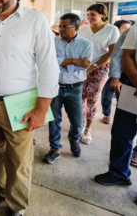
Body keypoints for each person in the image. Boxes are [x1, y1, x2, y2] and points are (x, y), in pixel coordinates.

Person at [0, 0, 59, 216]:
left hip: (20, 104)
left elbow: (48, 65)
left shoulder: (35, 20)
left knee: (19, 160)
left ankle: (17, 206)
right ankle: (1, 189)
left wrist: (42, 108)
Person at [94, 1, 137, 196]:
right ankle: (118, 172)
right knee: (122, 132)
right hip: (132, 87)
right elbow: (121, 55)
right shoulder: (135, 29)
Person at [43, 13, 93, 164]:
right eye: (60, 26)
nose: (61, 29)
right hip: (54, 86)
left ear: (76, 27)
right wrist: (73, 60)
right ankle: (55, 148)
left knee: (78, 122)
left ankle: (74, 140)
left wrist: (62, 62)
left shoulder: (86, 44)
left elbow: (83, 66)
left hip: (75, 87)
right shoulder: (52, 42)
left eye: (65, 26)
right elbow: (50, 61)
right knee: (54, 120)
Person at [78, 4, 119, 144]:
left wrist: (94, 66)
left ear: (103, 15)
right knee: (80, 97)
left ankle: (88, 129)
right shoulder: (83, 30)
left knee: (93, 98)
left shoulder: (111, 30)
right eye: (88, 14)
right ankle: (80, 123)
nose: (89, 17)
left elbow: (112, 52)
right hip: (82, 67)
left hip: (100, 68)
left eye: (93, 14)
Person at [100, 19, 132, 124]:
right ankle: (107, 114)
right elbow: (115, 56)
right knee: (107, 95)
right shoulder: (117, 38)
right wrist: (115, 77)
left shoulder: (133, 38)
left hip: (127, 74)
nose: (127, 30)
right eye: (125, 28)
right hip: (114, 72)